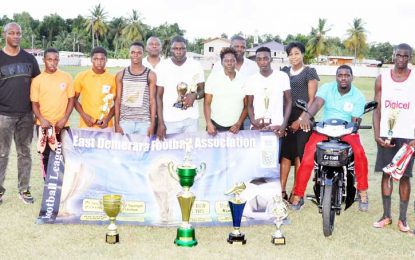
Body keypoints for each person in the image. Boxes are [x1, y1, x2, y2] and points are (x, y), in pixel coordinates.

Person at [291, 65, 369, 211]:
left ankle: (363, 191)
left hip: (346, 129)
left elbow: (355, 119)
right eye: (340, 75)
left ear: (352, 77)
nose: (343, 78)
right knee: (308, 156)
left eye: (347, 75)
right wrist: (307, 117)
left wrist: (355, 125)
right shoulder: (327, 88)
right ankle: (298, 195)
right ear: (336, 77)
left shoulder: (358, 96)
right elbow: (317, 103)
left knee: (359, 153)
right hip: (325, 127)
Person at [372, 43, 415, 232]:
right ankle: (386, 216)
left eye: (406, 56)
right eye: (399, 55)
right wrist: (376, 134)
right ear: (393, 55)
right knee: (387, 174)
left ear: (410, 58)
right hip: (387, 135)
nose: (402, 59)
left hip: (408, 137)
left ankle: (403, 219)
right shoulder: (382, 79)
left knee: (405, 177)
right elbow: (377, 108)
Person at [0, 22, 40, 204]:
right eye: (12, 33)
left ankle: (24, 190)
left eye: (19, 33)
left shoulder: (29, 59)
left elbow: (38, 86)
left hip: (26, 114)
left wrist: (36, 112)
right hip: (3, 115)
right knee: (2, 154)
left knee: (25, 153)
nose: (16, 36)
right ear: (4, 35)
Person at [280, 42, 319, 202]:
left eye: (297, 53)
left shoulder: (310, 72)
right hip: (286, 116)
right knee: (285, 155)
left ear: (303, 54)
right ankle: (280, 192)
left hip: (303, 117)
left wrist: (302, 119)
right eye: (290, 54)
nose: (293, 57)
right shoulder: (283, 72)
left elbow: (312, 99)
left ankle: (297, 192)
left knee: (299, 154)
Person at [30, 48, 75, 180]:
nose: (53, 62)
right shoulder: (37, 80)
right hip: (43, 126)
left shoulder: (66, 77)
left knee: (63, 156)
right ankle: (48, 186)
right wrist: (41, 119)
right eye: (49, 59)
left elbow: (71, 100)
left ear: (58, 60)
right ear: (44, 60)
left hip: (62, 125)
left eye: (55, 59)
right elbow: (34, 104)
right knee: (46, 157)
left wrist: (64, 119)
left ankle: (63, 187)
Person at [156, 36, 205, 139]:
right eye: (175, 48)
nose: (179, 51)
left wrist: (195, 96)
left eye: (182, 48)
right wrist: (160, 123)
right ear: (171, 49)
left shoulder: (196, 65)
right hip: (170, 119)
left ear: (186, 49)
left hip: (191, 119)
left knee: (190, 151)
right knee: (170, 153)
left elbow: (203, 90)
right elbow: (158, 96)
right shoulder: (162, 66)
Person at [245, 47, 292, 137]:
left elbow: (288, 101)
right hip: (258, 126)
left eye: (266, 58)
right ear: (256, 61)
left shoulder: (282, 76)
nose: (263, 62)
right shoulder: (251, 80)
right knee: (258, 151)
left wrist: (283, 125)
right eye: (259, 59)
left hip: (277, 126)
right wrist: (253, 122)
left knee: (275, 151)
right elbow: (249, 105)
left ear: (271, 59)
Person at [114, 42, 157, 136]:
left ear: (143, 54)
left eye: (139, 52)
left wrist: (152, 124)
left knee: (143, 150)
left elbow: (152, 101)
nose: (135, 55)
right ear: (129, 53)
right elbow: (117, 101)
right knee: (124, 150)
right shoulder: (121, 74)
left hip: (144, 123)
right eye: (133, 52)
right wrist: (116, 124)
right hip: (125, 122)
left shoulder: (151, 75)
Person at [204, 47, 247, 135]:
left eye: (232, 60)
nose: (229, 63)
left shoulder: (244, 79)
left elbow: (246, 106)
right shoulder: (213, 78)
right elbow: (207, 103)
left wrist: (239, 123)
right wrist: (209, 123)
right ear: (221, 62)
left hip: (236, 127)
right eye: (226, 60)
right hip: (215, 125)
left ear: (236, 61)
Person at [74, 47, 116, 130]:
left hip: (106, 126)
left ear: (106, 60)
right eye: (96, 59)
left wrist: (107, 119)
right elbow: (74, 99)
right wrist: (84, 115)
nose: (99, 62)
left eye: (102, 59)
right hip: (86, 125)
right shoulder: (81, 76)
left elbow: (117, 103)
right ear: (91, 60)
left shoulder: (112, 79)